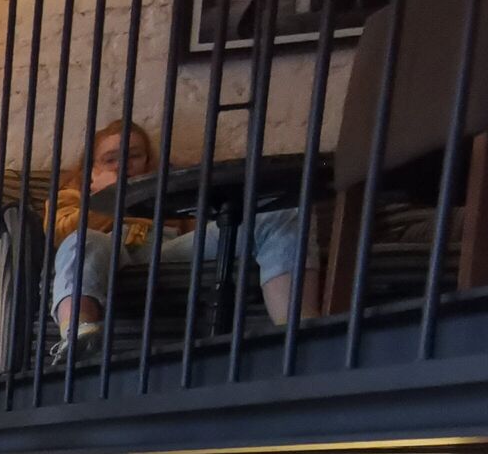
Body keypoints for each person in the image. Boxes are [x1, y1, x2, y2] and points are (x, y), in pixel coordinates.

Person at [49, 118, 304, 337]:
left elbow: (201, 227)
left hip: (168, 248)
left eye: (134, 155)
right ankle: (76, 332)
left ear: (147, 160)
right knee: (82, 240)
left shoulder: (164, 186)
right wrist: (110, 196)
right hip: (110, 248)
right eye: (110, 159)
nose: (122, 164)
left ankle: (296, 326)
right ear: (92, 166)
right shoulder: (72, 193)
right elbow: (61, 234)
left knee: (282, 214)